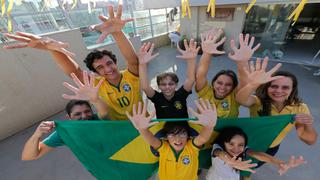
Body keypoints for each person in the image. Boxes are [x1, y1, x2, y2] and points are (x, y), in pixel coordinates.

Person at [3, 4, 140, 120]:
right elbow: (75, 72)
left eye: (109, 63)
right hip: (118, 130)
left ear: (115, 62)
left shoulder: (130, 76)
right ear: (96, 72)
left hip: (145, 123)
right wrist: (53, 48)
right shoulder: (97, 85)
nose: (108, 69)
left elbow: (133, 61)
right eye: (100, 67)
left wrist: (117, 33)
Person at [236, 57, 317, 165]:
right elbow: (241, 99)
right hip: (250, 143)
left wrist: (309, 124)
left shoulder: (300, 108)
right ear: (267, 87)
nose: (278, 91)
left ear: (292, 89)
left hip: (272, 147)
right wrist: (253, 83)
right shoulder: (258, 101)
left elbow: (309, 140)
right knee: (241, 164)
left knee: (255, 165)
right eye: (274, 86)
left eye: (285, 87)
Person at [126, 99, 217, 180]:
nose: (177, 139)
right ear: (166, 137)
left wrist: (209, 126)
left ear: (188, 136)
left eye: (182, 134)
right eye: (172, 134)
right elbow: (151, 140)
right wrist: (142, 129)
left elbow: (203, 138)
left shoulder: (192, 147)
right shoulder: (163, 147)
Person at [196, 30, 260, 118]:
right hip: (200, 129)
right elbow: (201, 72)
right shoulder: (205, 91)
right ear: (213, 82)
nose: (222, 87)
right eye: (219, 82)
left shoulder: (234, 96)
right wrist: (207, 53)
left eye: (228, 84)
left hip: (226, 131)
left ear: (233, 87)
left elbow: (244, 80)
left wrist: (242, 61)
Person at [206, 127, 306, 180]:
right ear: (224, 142)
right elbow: (221, 155)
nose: (236, 149)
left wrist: (279, 163)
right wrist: (230, 161)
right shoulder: (217, 148)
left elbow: (258, 155)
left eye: (241, 144)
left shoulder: (243, 150)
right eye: (231, 143)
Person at [138, 40, 199, 119]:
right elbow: (145, 87)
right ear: (159, 86)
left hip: (182, 128)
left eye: (171, 84)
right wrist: (142, 64)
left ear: (176, 85)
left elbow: (190, 80)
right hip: (163, 128)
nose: (167, 87)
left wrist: (191, 60)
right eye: (163, 84)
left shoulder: (181, 95)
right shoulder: (157, 98)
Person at [21, 100, 99, 160]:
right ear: (69, 117)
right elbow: (29, 156)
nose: (84, 116)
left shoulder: (101, 119)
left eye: (87, 111)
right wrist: (37, 135)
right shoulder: (65, 133)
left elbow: (105, 112)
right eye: (77, 114)